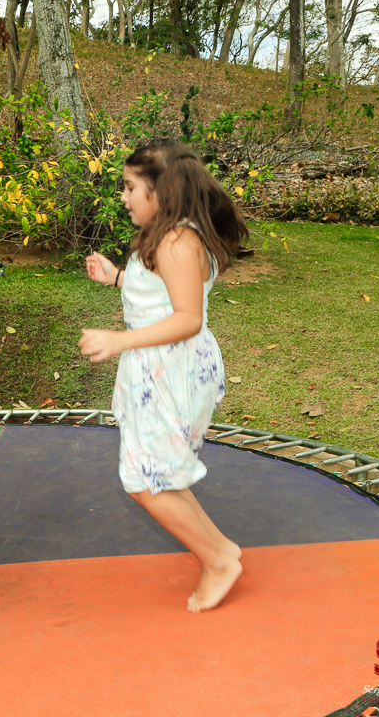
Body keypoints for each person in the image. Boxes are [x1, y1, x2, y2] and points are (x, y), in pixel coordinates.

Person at [80, 139, 248, 613]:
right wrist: (117, 278)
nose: (124, 196)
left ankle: (217, 560)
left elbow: (188, 316)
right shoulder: (170, 234)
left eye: (131, 187)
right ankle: (222, 550)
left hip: (168, 368)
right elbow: (163, 294)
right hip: (161, 365)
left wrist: (118, 340)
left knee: (143, 479)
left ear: (160, 190)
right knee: (159, 472)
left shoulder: (176, 240)